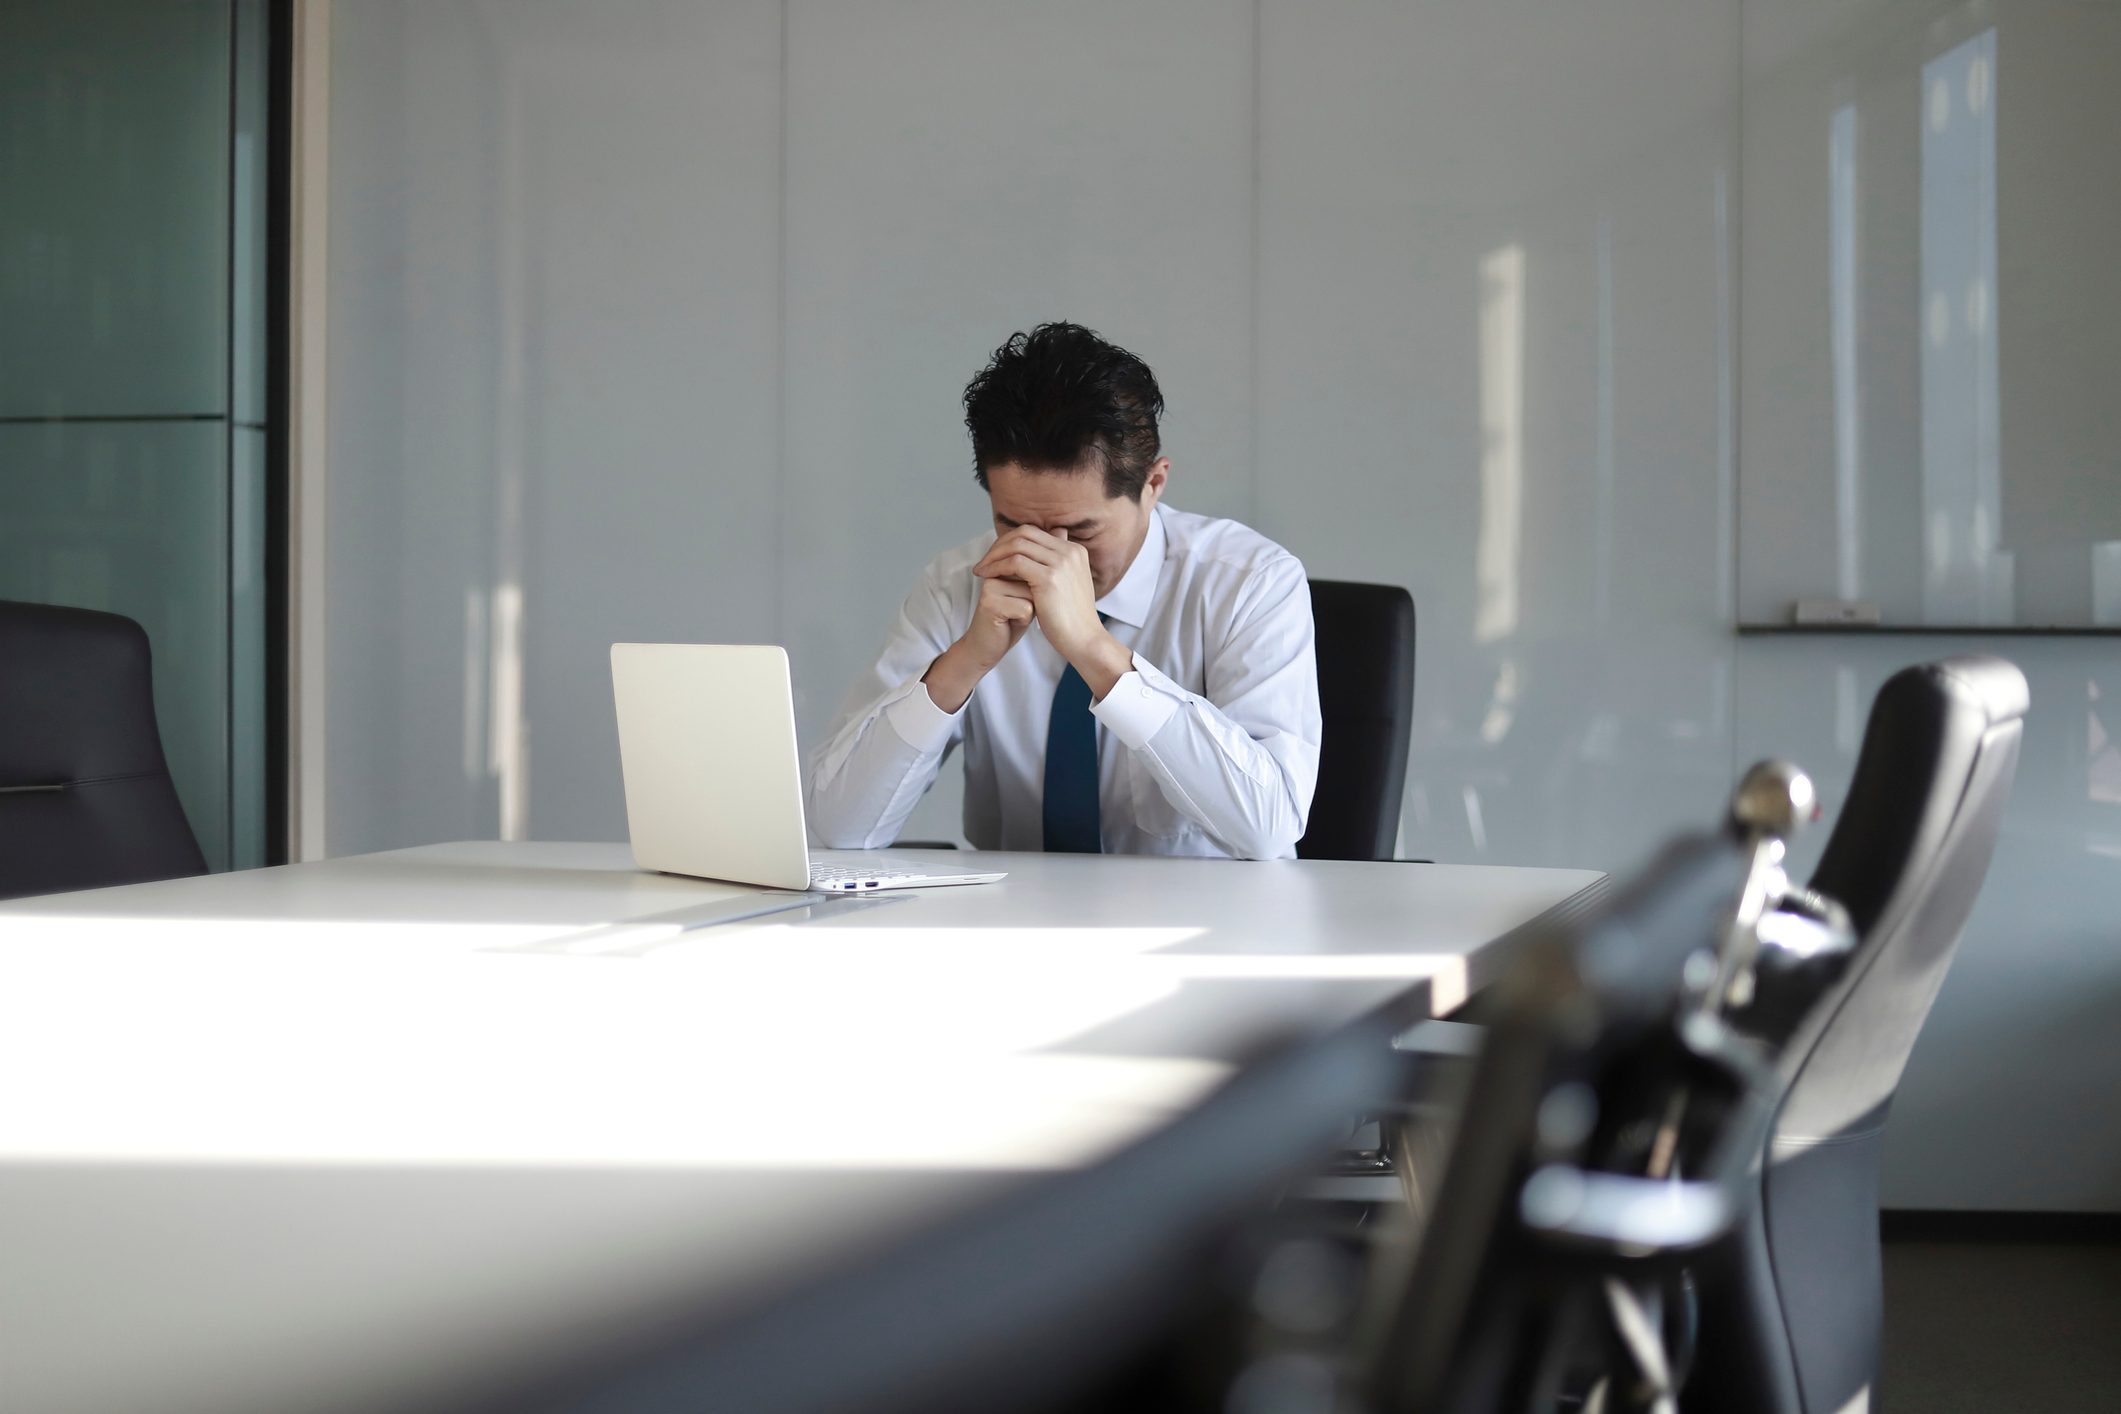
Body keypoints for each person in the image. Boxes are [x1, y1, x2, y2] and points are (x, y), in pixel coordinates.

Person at [807, 322, 1320, 859]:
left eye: (1081, 532)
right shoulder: (958, 584)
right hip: (1013, 924)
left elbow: (1270, 827)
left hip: (1211, 928)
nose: (1051, 559)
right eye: (1014, 526)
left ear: (1154, 485)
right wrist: (962, 664)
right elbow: (835, 830)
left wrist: (1096, 653)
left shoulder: (1250, 582)